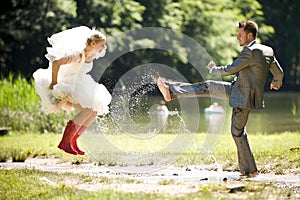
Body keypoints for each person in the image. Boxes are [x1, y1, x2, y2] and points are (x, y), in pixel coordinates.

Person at [157, 20, 284, 177]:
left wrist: (213, 69)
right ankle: (171, 91)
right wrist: (276, 82)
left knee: (237, 132)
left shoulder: (250, 51)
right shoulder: (267, 50)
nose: (237, 38)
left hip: (243, 97)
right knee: (208, 86)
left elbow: (232, 68)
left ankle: (250, 170)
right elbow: (279, 72)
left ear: (249, 35)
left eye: (240, 35)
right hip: (236, 89)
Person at [33, 26, 112, 155]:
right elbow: (56, 63)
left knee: (94, 111)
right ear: (93, 43)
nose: (104, 48)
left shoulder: (91, 55)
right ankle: (65, 141)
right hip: (70, 84)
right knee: (87, 110)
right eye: (101, 45)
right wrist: (54, 82)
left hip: (81, 82)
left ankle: (73, 140)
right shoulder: (78, 54)